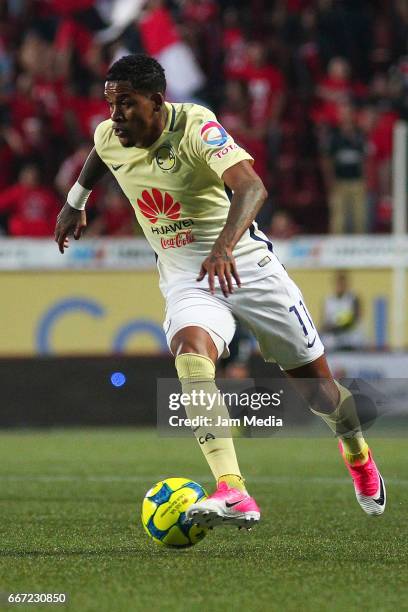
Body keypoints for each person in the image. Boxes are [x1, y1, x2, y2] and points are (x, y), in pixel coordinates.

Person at [54, 54, 386, 529]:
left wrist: (224, 247)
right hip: (188, 278)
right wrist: (74, 203)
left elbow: (252, 187)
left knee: (323, 397)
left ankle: (357, 455)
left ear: (156, 101)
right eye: (110, 105)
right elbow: (100, 154)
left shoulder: (195, 126)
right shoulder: (111, 135)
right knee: (191, 356)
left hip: (246, 267)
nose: (115, 116)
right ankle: (233, 489)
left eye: (126, 104)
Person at [321, 271, 366, 351]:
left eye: (342, 283)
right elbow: (323, 322)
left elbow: (355, 318)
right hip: (334, 340)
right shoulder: (328, 300)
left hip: (351, 339)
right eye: (338, 283)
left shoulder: (353, 298)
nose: (340, 286)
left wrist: (337, 326)